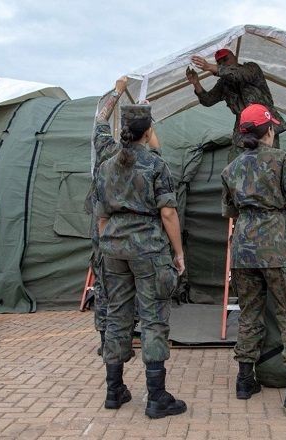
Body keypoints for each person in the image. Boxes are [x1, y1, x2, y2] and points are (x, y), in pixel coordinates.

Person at [220, 103, 286, 412]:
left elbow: (229, 211)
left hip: (243, 249)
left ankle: (244, 380)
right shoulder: (282, 160)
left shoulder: (231, 168)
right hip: (278, 246)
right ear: (269, 130)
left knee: (249, 313)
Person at [96, 104, 187, 419]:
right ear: (148, 132)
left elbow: (102, 216)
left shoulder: (106, 166)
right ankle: (157, 397)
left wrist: (110, 245)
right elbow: (168, 212)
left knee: (116, 316)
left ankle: (114, 390)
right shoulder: (155, 164)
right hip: (148, 248)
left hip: (113, 248)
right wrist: (178, 253)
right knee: (153, 319)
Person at [86, 76, 128, 356]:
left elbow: (100, 121)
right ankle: (122, 341)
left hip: (101, 226)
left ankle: (105, 340)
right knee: (126, 283)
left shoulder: (105, 149)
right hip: (126, 228)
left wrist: (117, 92)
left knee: (102, 281)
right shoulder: (137, 159)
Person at [186, 49, 286, 153]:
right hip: (243, 128)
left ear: (235, 57)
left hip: (263, 123)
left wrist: (210, 67)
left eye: (226, 59)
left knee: (269, 160)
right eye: (220, 63)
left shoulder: (251, 68)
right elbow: (208, 100)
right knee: (238, 162)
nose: (223, 64)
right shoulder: (224, 83)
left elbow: (240, 74)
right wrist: (196, 83)